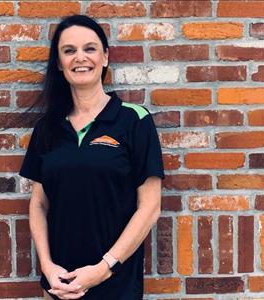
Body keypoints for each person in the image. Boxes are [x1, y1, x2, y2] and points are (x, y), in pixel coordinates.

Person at [19, 14, 165, 300]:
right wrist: (48, 269)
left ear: (105, 57)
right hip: (60, 287)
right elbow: (38, 203)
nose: (80, 58)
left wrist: (103, 268)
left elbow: (150, 207)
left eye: (90, 48)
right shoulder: (47, 128)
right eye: (69, 50)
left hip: (116, 286)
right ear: (59, 64)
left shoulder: (134, 120)